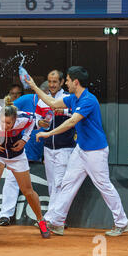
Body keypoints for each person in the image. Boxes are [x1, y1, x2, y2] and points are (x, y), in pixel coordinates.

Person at [27, 66, 128, 236]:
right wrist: (34, 86)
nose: (66, 83)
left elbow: (71, 122)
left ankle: (122, 222)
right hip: (81, 149)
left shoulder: (88, 100)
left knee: (104, 186)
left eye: (67, 80)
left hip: (95, 151)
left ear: (75, 82)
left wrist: (48, 133)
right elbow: (52, 103)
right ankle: (57, 222)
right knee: (68, 183)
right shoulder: (73, 98)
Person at [0, 96, 50, 241]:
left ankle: (41, 220)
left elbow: (33, 122)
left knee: (27, 191)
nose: (4, 125)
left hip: (17, 156)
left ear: (15, 120)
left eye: (8, 123)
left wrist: (24, 140)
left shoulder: (24, 118)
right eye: (2, 122)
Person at [0, 81, 49, 226]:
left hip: (42, 150)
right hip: (19, 149)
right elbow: (7, 112)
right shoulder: (26, 100)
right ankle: (5, 215)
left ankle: (46, 218)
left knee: (30, 188)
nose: (47, 95)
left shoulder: (52, 104)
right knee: (11, 181)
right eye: (45, 92)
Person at [34, 70, 76, 227]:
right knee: (52, 184)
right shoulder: (43, 100)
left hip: (65, 148)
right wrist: (40, 124)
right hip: (48, 148)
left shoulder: (68, 98)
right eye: (50, 82)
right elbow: (37, 120)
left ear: (61, 82)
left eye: (55, 82)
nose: (52, 85)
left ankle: (51, 219)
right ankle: (58, 219)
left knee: (59, 183)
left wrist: (63, 111)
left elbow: (77, 115)